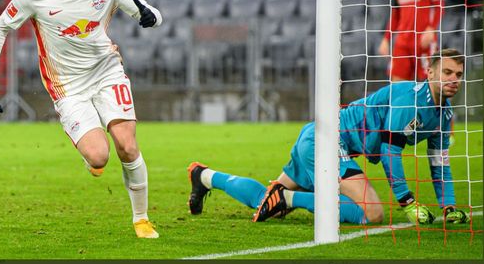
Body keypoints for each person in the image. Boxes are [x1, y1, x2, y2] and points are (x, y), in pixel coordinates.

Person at [0, 0, 163, 239]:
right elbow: (0, 28)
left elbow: (148, 11)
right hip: (68, 86)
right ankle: (85, 146)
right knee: (99, 156)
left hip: (107, 72)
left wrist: (150, 17)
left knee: (127, 145)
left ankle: (141, 219)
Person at [187, 49, 471, 226]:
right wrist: (407, 201)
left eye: (458, 74)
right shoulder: (409, 98)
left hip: (319, 137)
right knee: (372, 212)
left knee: (265, 199)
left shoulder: (444, 117)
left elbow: (439, 164)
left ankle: (204, 176)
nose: (452, 79)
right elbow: (389, 152)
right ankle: (287, 198)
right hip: (329, 139)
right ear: (429, 71)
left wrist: (448, 206)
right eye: (446, 72)